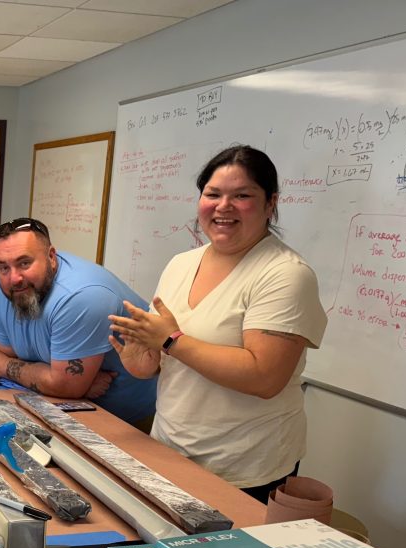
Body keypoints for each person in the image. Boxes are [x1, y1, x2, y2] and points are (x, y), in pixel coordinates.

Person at [108, 145, 327, 502]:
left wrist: (171, 341)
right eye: (213, 194)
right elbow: (167, 354)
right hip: (170, 451)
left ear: (271, 203)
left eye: (242, 195)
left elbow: (265, 377)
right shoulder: (181, 263)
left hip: (245, 468)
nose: (223, 206)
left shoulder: (285, 274)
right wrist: (145, 363)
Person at [0, 217, 157, 427]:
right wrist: (63, 384)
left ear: (51, 257)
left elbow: (4, 361)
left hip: (128, 419)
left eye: (24, 263)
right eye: (3, 267)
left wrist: (2, 366)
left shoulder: (81, 296)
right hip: (64, 408)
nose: (14, 278)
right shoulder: (3, 290)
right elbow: (11, 353)